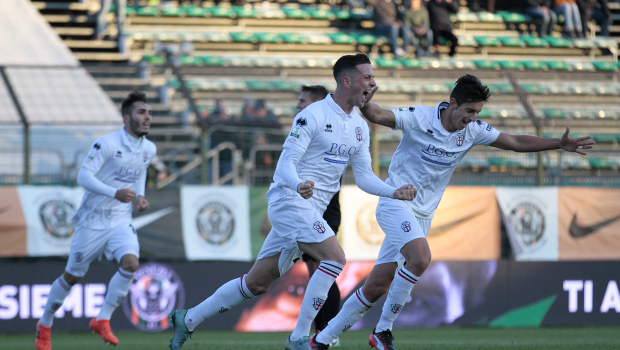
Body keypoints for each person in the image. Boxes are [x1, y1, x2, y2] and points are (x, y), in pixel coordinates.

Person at [308, 74, 595, 350]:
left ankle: (321, 340)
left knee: (377, 285)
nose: (472, 118)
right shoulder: (420, 117)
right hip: (395, 202)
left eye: (478, 112)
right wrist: (364, 101)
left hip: (422, 215)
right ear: (453, 104)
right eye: (469, 110)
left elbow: (515, 142)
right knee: (420, 259)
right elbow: (379, 116)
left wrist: (558, 143)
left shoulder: (472, 130)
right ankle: (382, 331)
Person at [168, 53, 417, 350]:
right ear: (346, 81)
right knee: (334, 258)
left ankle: (188, 319)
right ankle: (299, 338)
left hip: (312, 209)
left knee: (257, 283)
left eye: (373, 77)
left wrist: (393, 191)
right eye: (367, 77)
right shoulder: (312, 115)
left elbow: (363, 176)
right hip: (289, 199)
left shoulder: (360, 127)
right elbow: (285, 165)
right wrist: (298, 183)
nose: (373, 83)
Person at [35, 91, 156, 350]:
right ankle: (44, 325)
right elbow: (84, 176)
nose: (147, 117)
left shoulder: (149, 149)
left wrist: (140, 196)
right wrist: (115, 192)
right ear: (126, 118)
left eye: (149, 113)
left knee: (131, 264)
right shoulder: (108, 143)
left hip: (120, 220)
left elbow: (140, 172)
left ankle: (102, 319)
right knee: (72, 277)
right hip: (91, 221)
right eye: (141, 112)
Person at [296, 84, 342, 347]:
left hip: (322, 209)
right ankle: (321, 331)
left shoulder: (324, 131)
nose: (298, 106)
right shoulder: (306, 128)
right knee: (318, 271)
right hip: (304, 208)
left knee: (323, 268)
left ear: (315, 105)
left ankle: (326, 332)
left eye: (302, 101)